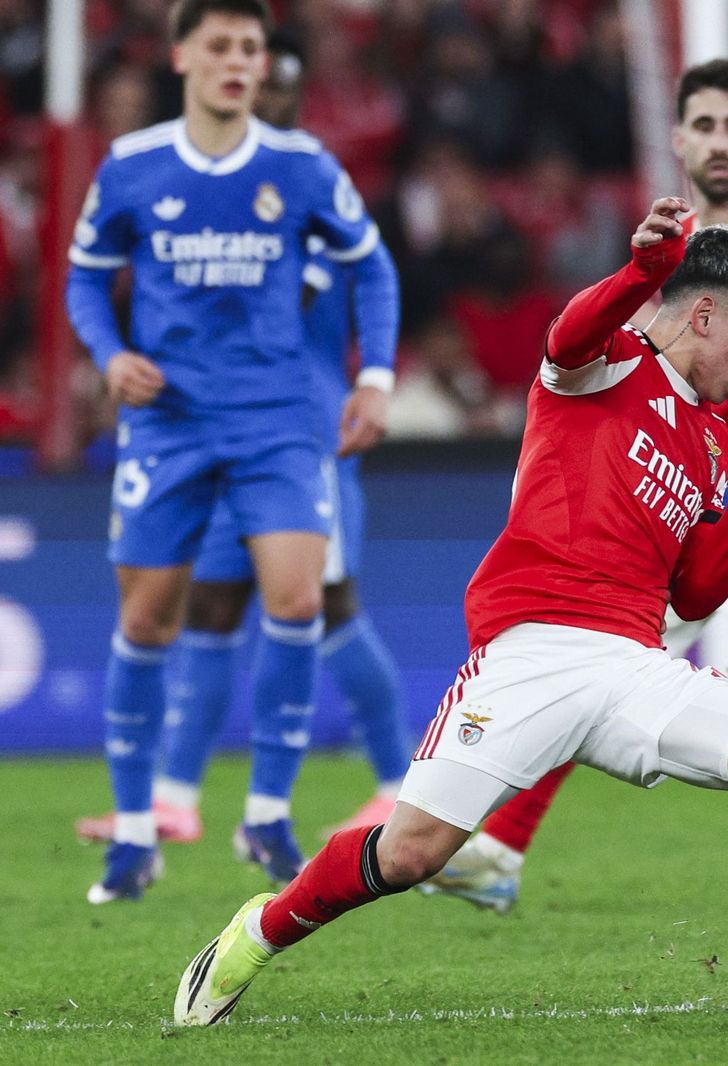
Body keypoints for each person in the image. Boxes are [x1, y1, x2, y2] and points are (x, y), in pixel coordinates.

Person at [173, 201, 728, 1026]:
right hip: (531, 651)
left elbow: (689, 596)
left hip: (633, 664)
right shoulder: (611, 361)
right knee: (410, 853)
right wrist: (644, 270)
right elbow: (567, 334)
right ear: (707, 313)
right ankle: (257, 932)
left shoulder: (712, 442)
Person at [423, 57, 728, 914]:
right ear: (678, 137)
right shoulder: (679, 244)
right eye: (705, 125)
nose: (719, 142)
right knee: (597, 658)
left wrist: (686, 360)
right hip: (681, 503)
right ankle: (500, 848)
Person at [65, 0, 399, 902]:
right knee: (149, 623)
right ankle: (135, 835)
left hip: (279, 422)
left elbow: (373, 265)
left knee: (298, 600)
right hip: (168, 423)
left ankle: (264, 814)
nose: (238, 61)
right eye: (220, 46)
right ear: (182, 56)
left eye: (250, 47)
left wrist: (374, 382)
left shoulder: (300, 168)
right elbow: (85, 279)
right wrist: (110, 356)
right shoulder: (133, 167)